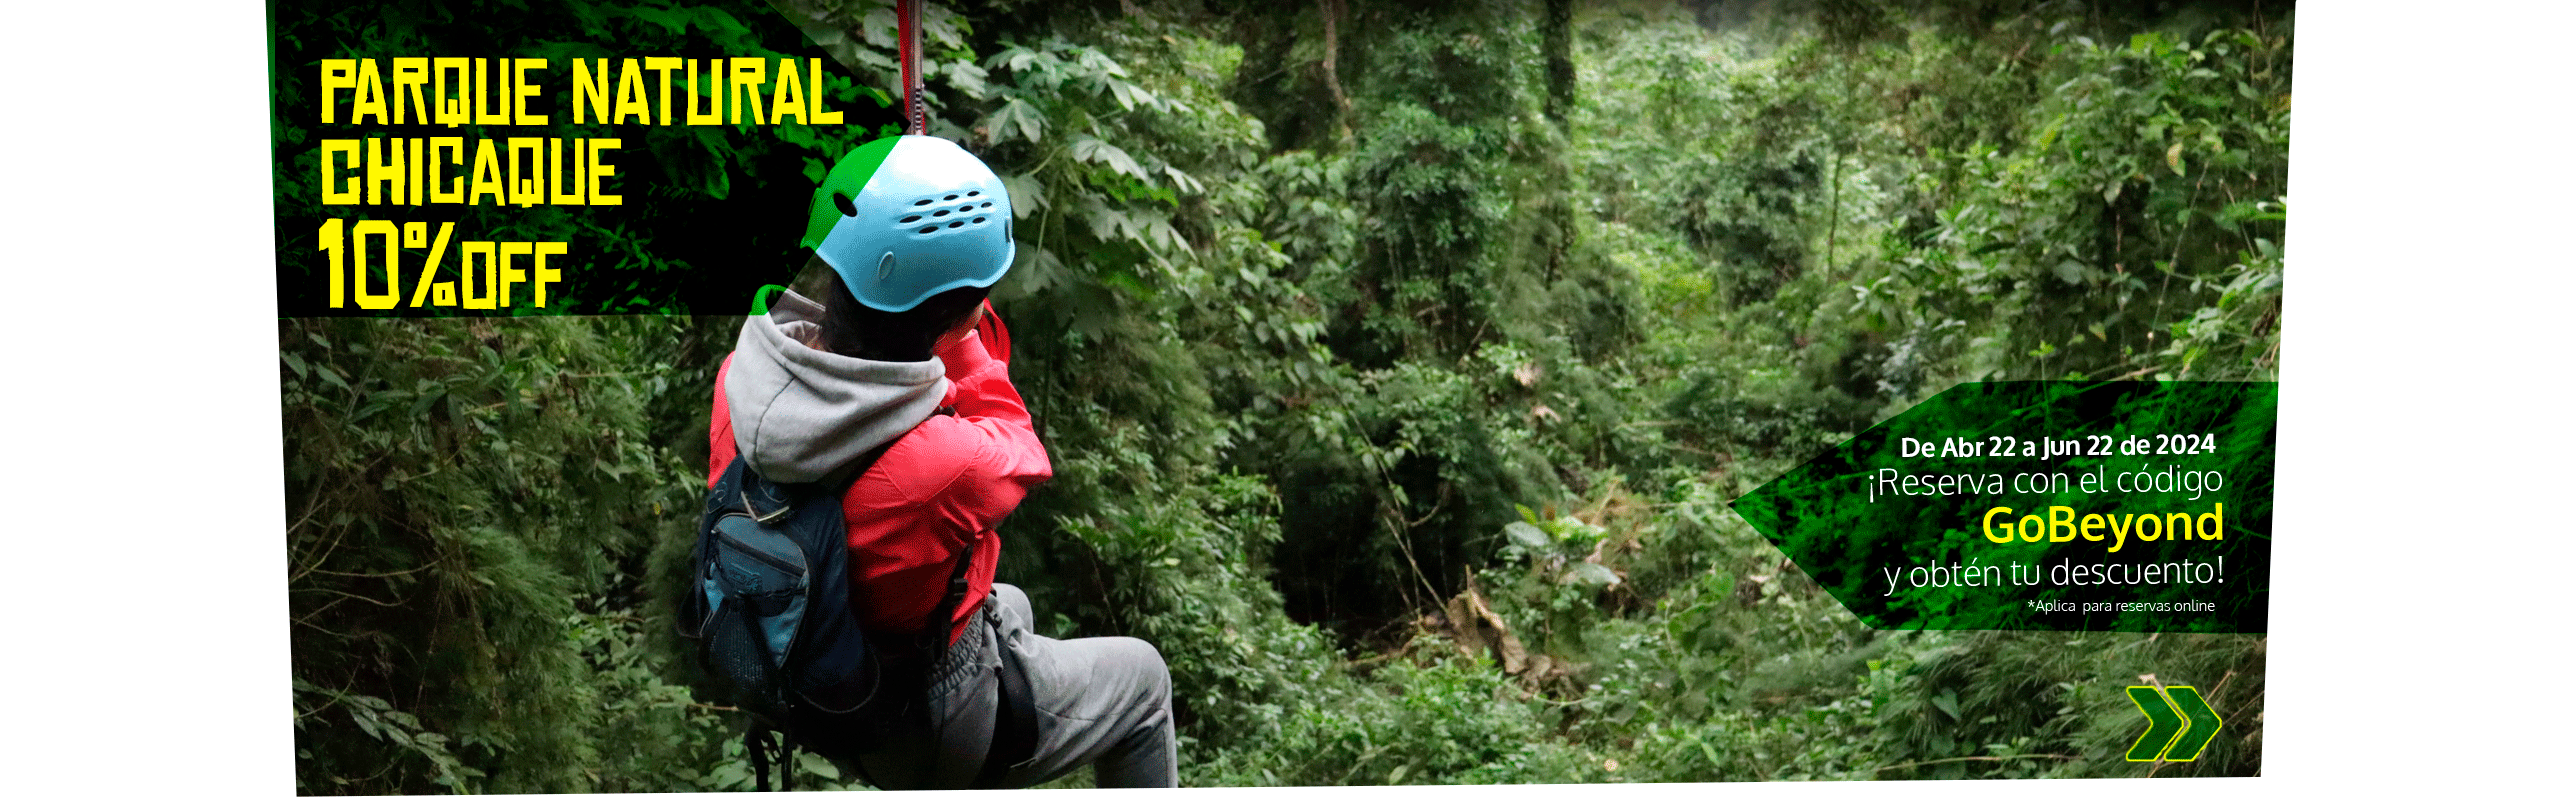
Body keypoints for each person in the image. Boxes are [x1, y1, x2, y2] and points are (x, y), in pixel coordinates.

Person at [704, 134, 1176, 789]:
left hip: (811, 668)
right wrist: (967, 348)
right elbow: (1022, 454)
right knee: (1144, 676)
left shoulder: (745, 375)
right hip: (915, 717)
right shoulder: (945, 465)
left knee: (1009, 602)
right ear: (955, 315)